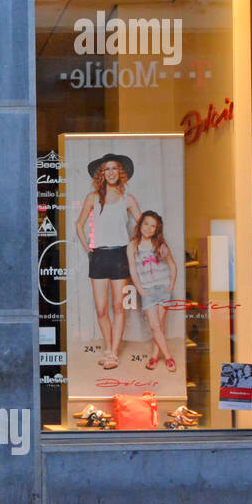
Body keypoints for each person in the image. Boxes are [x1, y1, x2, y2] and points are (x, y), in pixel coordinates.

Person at [74, 153, 142, 370]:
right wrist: (89, 250)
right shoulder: (92, 197)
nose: (111, 173)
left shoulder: (128, 199)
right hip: (99, 256)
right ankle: (109, 349)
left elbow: (144, 227)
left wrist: (131, 247)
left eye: (115, 169)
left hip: (120, 256)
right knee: (102, 309)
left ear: (120, 173)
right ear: (101, 174)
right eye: (107, 169)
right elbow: (79, 225)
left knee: (118, 308)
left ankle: (112, 353)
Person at [126, 210, 177, 372]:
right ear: (140, 224)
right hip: (147, 290)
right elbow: (133, 271)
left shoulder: (160, 245)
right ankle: (169, 357)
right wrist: (141, 291)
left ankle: (154, 358)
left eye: (153, 226)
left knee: (159, 326)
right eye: (146, 224)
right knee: (155, 326)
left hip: (163, 289)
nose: (148, 228)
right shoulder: (133, 246)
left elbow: (173, 266)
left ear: (157, 229)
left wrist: (170, 287)